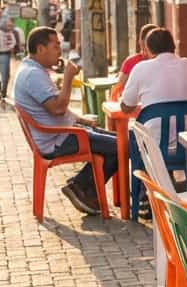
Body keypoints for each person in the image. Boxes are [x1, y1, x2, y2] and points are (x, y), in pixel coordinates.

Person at [13, 27, 119, 216]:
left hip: (63, 132)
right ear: (40, 49)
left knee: (120, 139)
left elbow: (56, 109)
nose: (59, 51)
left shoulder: (34, 70)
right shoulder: (32, 75)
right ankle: (81, 186)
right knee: (122, 145)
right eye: (55, 46)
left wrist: (80, 120)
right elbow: (58, 108)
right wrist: (69, 77)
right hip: (57, 141)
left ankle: (82, 187)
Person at [120, 26, 187, 145]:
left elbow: (126, 107)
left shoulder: (140, 68)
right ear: (174, 46)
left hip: (156, 151)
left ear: (148, 49)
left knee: (133, 129)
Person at [116, 23, 158, 95]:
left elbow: (118, 89)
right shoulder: (131, 62)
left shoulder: (163, 62)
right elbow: (119, 89)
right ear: (141, 42)